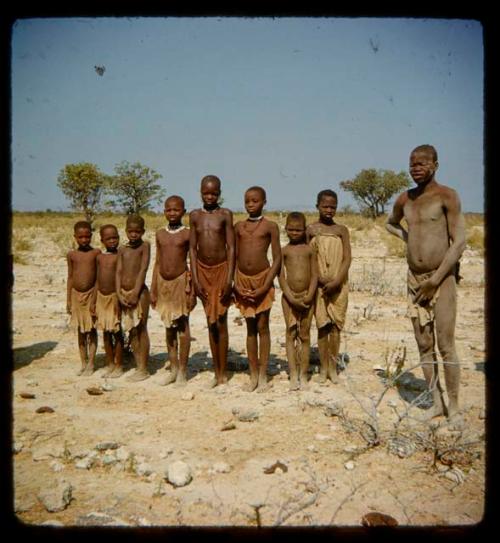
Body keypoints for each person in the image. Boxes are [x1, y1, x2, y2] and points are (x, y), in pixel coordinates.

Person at [386, 144, 465, 422]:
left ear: (435, 165)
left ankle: (454, 407)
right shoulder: (405, 199)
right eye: (412, 163)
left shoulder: (447, 196)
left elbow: (459, 243)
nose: (416, 168)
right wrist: (407, 239)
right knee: (423, 344)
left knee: (445, 344)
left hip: (441, 279)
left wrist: (435, 279)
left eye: (422, 163)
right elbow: (390, 223)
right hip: (414, 281)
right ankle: (436, 402)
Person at [189, 175, 235, 388]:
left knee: (222, 320)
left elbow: (231, 248)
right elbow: (192, 249)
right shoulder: (195, 216)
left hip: (221, 271)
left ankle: (222, 373)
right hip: (203, 272)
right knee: (210, 321)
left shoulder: (225, 215)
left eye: (214, 193)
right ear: (200, 192)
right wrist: (196, 278)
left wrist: (229, 278)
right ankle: (215, 371)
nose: (210, 196)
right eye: (206, 193)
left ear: (219, 193)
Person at [234, 186, 281, 392]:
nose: (251, 204)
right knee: (250, 328)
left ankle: (263, 375)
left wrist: (265, 285)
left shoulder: (270, 226)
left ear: (264, 202)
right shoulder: (238, 227)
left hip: (263, 279)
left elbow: (277, 258)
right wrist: (235, 284)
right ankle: (252, 374)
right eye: (247, 201)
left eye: (255, 200)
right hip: (242, 280)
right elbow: (233, 256)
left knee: (263, 326)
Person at [307, 190, 351, 384]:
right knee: (322, 325)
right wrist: (320, 279)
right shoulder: (310, 229)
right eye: (325, 206)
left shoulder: (341, 230)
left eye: (332, 206)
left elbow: (347, 258)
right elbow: (308, 258)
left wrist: (336, 281)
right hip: (318, 286)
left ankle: (333, 367)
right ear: (317, 206)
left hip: (339, 285)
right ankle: (323, 368)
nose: (329, 210)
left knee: (336, 326)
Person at [151, 196, 196, 386]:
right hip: (163, 284)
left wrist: (192, 289)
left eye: (176, 210)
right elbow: (158, 261)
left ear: (183, 212)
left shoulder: (187, 233)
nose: (172, 213)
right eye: (168, 210)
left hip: (180, 282)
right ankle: (174, 368)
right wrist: (153, 288)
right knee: (169, 327)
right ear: (164, 211)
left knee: (183, 326)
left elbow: (193, 260)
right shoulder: (160, 234)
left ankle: (183, 373)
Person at [279, 212, 318, 390]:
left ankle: (303, 374)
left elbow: (315, 275)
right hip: (289, 298)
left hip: (307, 296)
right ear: (285, 229)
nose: (294, 233)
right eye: (291, 229)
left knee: (305, 334)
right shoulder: (284, 251)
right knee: (290, 333)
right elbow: (281, 276)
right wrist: (289, 296)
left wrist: (309, 295)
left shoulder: (310, 250)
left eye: (298, 230)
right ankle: (293, 374)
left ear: (305, 229)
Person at [116, 214, 151, 382]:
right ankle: (138, 365)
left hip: (140, 293)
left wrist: (136, 293)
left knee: (141, 328)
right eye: (131, 231)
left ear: (143, 231)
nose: (134, 235)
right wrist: (119, 292)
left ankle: (143, 368)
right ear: (126, 231)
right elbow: (118, 272)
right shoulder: (122, 249)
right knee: (131, 330)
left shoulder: (145, 246)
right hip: (124, 293)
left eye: (137, 231)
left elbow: (143, 270)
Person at [66, 220, 100, 376]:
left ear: (91, 236)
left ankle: (92, 363)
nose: (84, 240)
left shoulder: (96, 253)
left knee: (92, 330)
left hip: (91, 295)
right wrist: (68, 299)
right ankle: (83, 362)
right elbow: (70, 277)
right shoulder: (72, 255)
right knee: (80, 330)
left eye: (87, 237)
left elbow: (99, 277)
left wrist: (94, 298)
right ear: (75, 237)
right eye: (81, 237)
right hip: (76, 296)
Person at [91, 224, 124, 378]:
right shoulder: (100, 257)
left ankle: (119, 365)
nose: (112, 241)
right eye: (108, 239)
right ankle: (109, 363)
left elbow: (122, 279)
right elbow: (97, 279)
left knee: (117, 332)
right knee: (105, 332)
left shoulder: (121, 256)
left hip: (114, 297)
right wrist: (93, 300)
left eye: (115, 237)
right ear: (102, 240)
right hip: (101, 298)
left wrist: (119, 298)